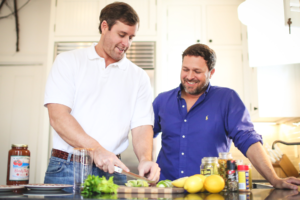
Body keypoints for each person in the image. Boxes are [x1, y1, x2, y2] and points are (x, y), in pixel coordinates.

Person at [153, 43, 300, 189]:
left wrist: (274, 179)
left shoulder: (227, 99)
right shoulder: (163, 100)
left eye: (197, 71)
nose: (190, 76)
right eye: (185, 69)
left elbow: (247, 138)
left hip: (211, 192)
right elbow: (144, 132)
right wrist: (145, 161)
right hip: (166, 189)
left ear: (211, 72)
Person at [44, 2, 160, 186]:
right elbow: (58, 117)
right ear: (104, 26)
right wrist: (95, 149)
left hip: (114, 173)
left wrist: (145, 158)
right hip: (66, 169)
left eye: (131, 37)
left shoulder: (139, 77)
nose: (126, 43)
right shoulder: (68, 62)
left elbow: (141, 126)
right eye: (122, 35)